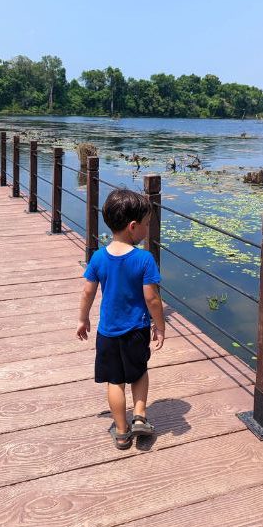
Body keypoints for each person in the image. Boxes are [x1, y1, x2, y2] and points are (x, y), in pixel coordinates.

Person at [77, 188, 165, 449]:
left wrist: (83, 319)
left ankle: (122, 431)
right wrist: (159, 326)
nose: (148, 229)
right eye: (147, 224)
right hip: (136, 331)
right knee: (139, 373)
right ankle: (139, 416)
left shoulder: (98, 257)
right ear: (133, 227)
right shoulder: (144, 259)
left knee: (114, 381)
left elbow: (87, 291)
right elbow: (152, 299)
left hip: (107, 333)